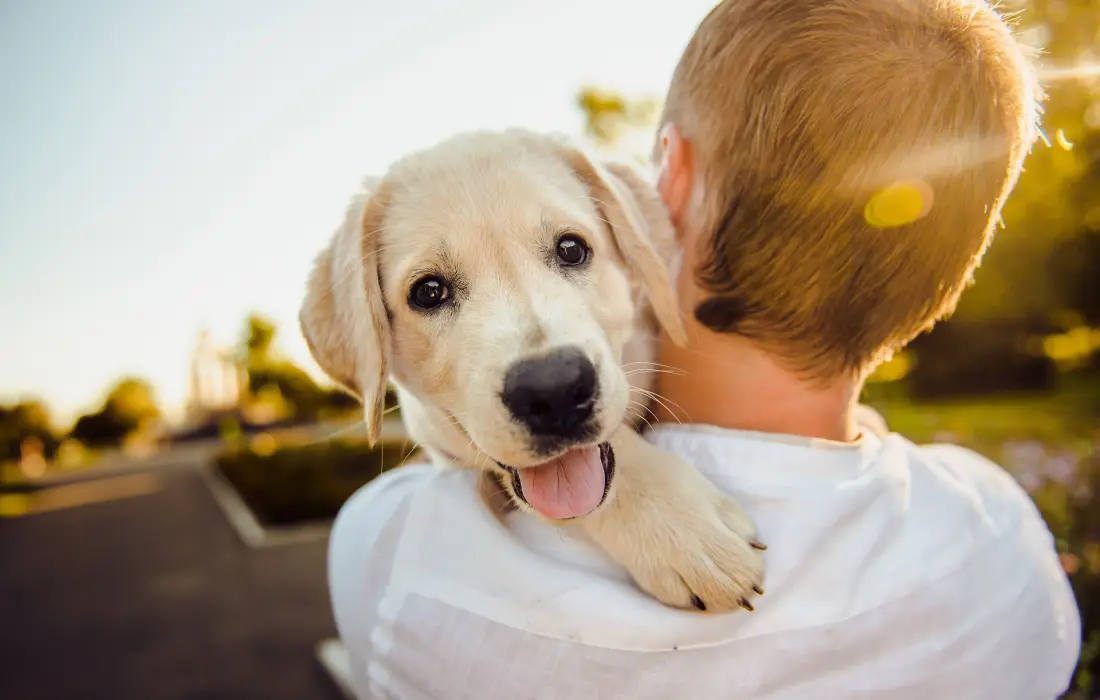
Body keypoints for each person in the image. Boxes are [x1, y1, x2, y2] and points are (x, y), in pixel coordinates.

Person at [327, 0, 1082, 697]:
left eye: (568, 248)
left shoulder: (398, 556)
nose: (545, 359)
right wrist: (623, 487)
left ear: (669, 183)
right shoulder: (1004, 543)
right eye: (431, 293)